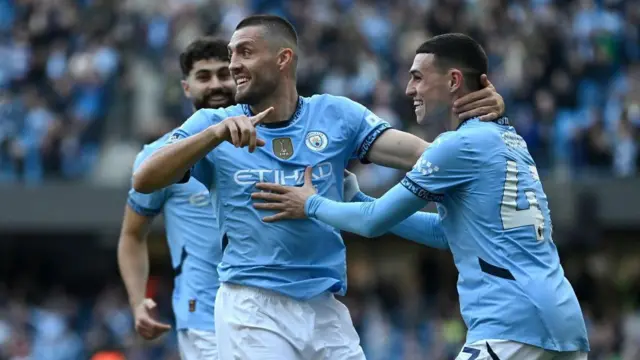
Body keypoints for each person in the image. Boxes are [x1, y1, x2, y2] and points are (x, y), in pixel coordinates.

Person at [132, 15, 506, 359]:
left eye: (244, 52)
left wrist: (486, 123)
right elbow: (145, 177)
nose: (233, 65)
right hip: (252, 307)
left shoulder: (336, 115)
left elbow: (426, 156)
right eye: (232, 54)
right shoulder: (214, 123)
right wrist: (214, 135)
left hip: (324, 305)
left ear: (283, 59)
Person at [251, 33, 590, 360]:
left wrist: (310, 203)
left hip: (513, 322)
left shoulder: (458, 146)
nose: (409, 88)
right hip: (563, 319)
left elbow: (372, 224)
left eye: (417, 77)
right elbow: (444, 233)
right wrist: (357, 199)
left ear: (454, 80)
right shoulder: (509, 139)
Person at [118, 37, 235, 360]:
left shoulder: (269, 142)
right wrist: (137, 301)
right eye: (204, 76)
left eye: (224, 74)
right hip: (204, 317)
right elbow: (132, 235)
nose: (215, 84)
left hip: (272, 311)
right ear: (186, 88)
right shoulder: (161, 158)